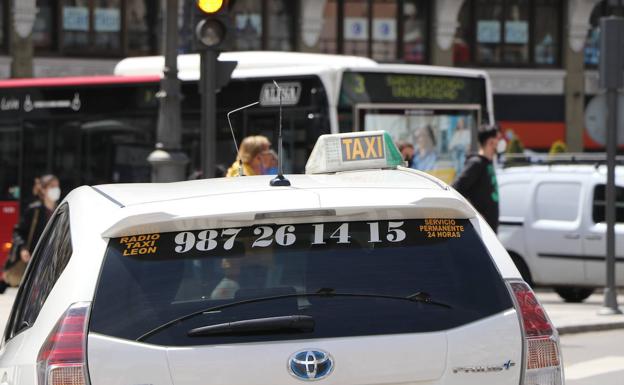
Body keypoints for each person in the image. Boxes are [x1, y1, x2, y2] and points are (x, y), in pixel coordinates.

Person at [1, 174, 61, 288]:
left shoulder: (61, 209)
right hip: (34, 259)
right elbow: (18, 231)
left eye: (57, 186)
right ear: (43, 190)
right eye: (52, 186)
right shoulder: (34, 209)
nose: (56, 190)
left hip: (53, 259)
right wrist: (23, 249)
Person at [452, 125, 501, 233]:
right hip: (480, 232)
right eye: (498, 139)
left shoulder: (487, 163)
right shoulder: (476, 163)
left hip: (489, 232)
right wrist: (475, 213)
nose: (500, 143)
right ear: (491, 142)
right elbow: (456, 189)